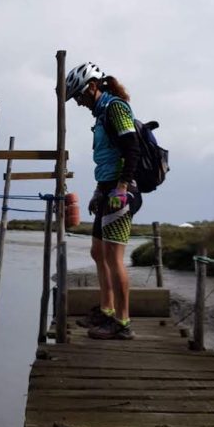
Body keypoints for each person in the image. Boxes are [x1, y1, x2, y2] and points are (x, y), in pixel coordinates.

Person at [65, 62, 142, 340]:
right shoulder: (100, 116)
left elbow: (131, 147)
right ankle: (107, 310)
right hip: (107, 189)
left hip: (122, 191)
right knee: (97, 253)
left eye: (80, 96)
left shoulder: (116, 108)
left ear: (93, 87)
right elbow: (108, 157)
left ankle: (122, 323)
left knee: (114, 257)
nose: (78, 102)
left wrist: (121, 187)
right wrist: (100, 190)